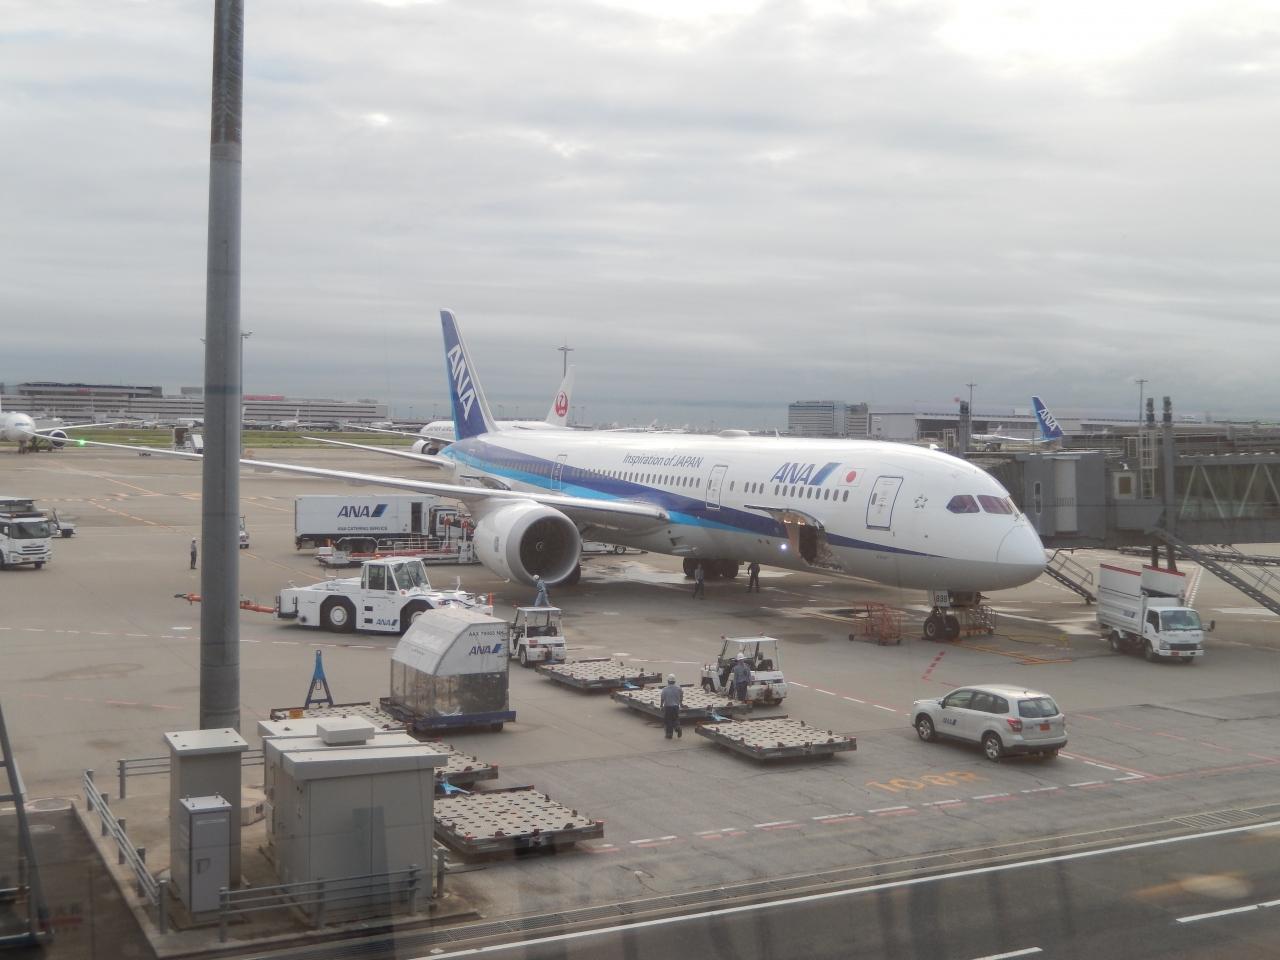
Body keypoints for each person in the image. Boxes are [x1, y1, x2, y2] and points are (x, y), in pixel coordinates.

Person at [660, 674, 683, 738]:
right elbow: (681, 696)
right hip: (676, 707)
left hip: (668, 707)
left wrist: (661, 705)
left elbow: (662, 698)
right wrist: (681, 703)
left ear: (668, 681)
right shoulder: (679, 688)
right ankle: (678, 728)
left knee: (668, 720)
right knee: (675, 719)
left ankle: (669, 734)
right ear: (674, 681)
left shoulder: (665, 689)